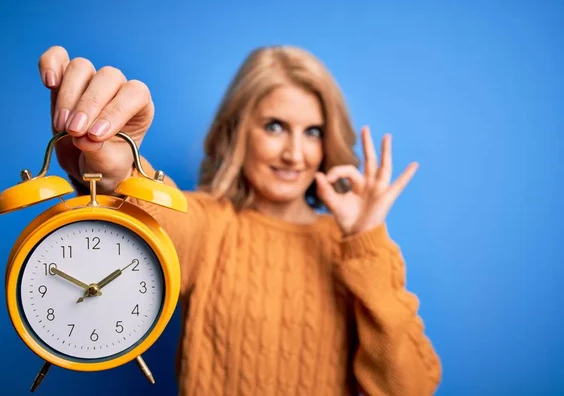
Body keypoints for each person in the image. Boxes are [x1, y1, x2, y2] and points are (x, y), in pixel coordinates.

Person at [38, 45, 442, 395]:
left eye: (314, 132)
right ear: (237, 131)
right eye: (275, 126)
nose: (295, 154)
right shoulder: (212, 226)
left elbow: (410, 388)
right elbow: (160, 219)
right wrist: (117, 167)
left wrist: (365, 239)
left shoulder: (354, 252)